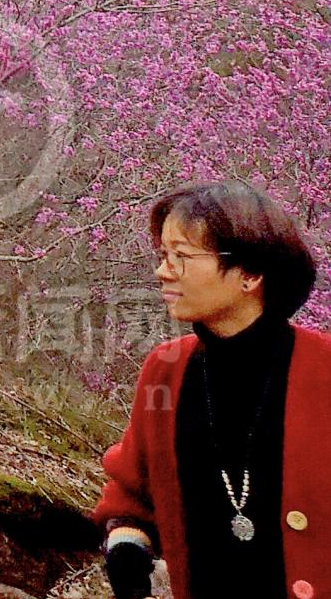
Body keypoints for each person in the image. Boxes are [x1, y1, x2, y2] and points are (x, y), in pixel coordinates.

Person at [96, 182, 328, 599]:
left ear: (250, 274)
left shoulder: (324, 369)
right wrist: (126, 542)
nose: (163, 271)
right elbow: (132, 490)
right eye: (164, 255)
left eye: (182, 257)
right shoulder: (165, 369)